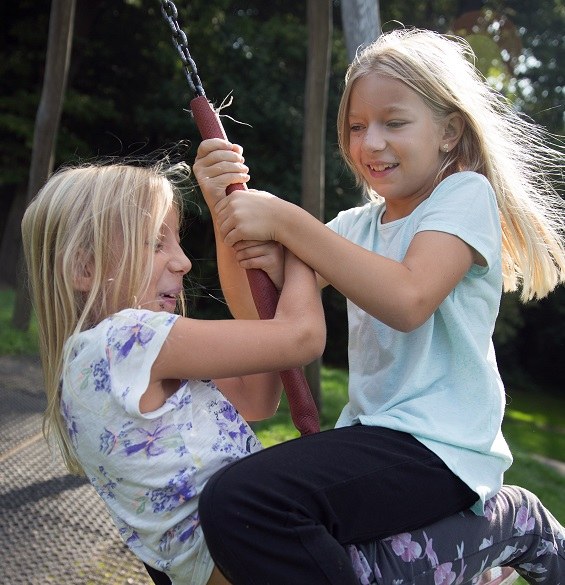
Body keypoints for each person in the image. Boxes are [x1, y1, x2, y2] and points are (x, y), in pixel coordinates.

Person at [192, 27, 565, 584]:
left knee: (244, 502)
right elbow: (259, 316)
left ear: (449, 130)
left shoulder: (463, 196)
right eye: (356, 127)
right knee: (240, 519)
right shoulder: (354, 228)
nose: (371, 143)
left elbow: (408, 298)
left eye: (394, 122)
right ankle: (461, 553)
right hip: (373, 436)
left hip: (441, 447)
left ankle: (505, 525)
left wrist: (288, 222)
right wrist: (227, 212)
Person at [20, 160, 326, 585]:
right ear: (85, 269)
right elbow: (302, 337)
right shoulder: (129, 338)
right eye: (154, 243)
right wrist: (297, 249)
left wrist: (226, 220)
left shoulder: (100, 364)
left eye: (177, 242)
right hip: (255, 556)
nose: (182, 262)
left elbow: (257, 396)